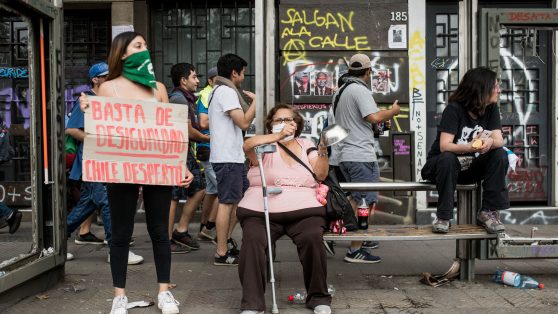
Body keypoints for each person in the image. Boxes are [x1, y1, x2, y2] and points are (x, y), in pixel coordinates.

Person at [79, 31, 193, 314]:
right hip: (121, 169)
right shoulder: (108, 88)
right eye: (138, 46)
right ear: (124, 53)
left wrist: (181, 164)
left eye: (146, 45)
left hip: (157, 168)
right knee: (120, 232)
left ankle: (165, 292)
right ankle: (120, 296)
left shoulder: (158, 89)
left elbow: (170, 134)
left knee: (159, 231)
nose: (145, 50)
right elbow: (100, 129)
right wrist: (88, 108)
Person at [238, 104, 332, 314]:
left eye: (289, 120)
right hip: (262, 212)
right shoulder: (263, 146)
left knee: (312, 237)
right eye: (278, 120)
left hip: (304, 210)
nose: (285, 124)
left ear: (296, 124)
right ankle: (252, 303)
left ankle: (318, 297)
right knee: (253, 239)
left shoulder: (306, 144)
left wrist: (324, 149)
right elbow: (247, 146)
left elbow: (321, 175)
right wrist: (277, 136)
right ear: (271, 124)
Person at [66, 62, 143, 264]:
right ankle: (117, 251)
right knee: (107, 203)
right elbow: (72, 129)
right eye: (107, 76)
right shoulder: (86, 100)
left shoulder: (109, 100)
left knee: (87, 204)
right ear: (95, 79)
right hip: (92, 162)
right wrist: (99, 141)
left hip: (104, 161)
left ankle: (54, 244)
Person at [421, 67, 508, 234]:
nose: (499, 90)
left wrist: (488, 142)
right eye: (495, 86)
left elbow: (499, 140)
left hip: (469, 167)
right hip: (442, 167)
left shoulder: (491, 109)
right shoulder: (454, 109)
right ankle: (444, 217)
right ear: (482, 89)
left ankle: (488, 211)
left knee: (500, 153)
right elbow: (444, 145)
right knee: (447, 158)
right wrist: (470, 146)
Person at [331, 53, 400, 263]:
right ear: (368, 71)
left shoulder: (341, 91)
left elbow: (358, 122)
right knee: (364, 201)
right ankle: (355, 248)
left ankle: (358, 237)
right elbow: (374, 117)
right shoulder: (359, 90)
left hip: (346, 153)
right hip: (360, 154)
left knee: (354, 198)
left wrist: (377, 125)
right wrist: (393, 111)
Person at [209, 53, 256, 265]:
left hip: (231, 156)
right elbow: (244, 123)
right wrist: (257, 101)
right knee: (227, 203)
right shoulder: (226, 91)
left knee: (241, 200)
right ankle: (221, 252)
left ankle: (225, 239)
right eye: (242, 72)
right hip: (227, 157)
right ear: (234, 73)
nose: (243, 77)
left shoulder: (220, 91)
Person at [167, 63, 210, 254]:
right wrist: (208, 138)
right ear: (183, 80)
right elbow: (187, 130)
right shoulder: (178, 99)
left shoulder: (187, 99)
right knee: (173, 196)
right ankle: (167, 240)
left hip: (184, 150)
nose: (198, 80)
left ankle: (181, 230)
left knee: (200, 188)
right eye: (194, 77)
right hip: (175, 152)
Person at [196, 67, 218, 242]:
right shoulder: (207, 95)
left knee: (212, 190)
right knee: (224, 189)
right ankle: (210, 228)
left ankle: (204, 227)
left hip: (212, 148)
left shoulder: (214, 93)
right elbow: (203, 123)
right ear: (210, 81)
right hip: (209, 149)